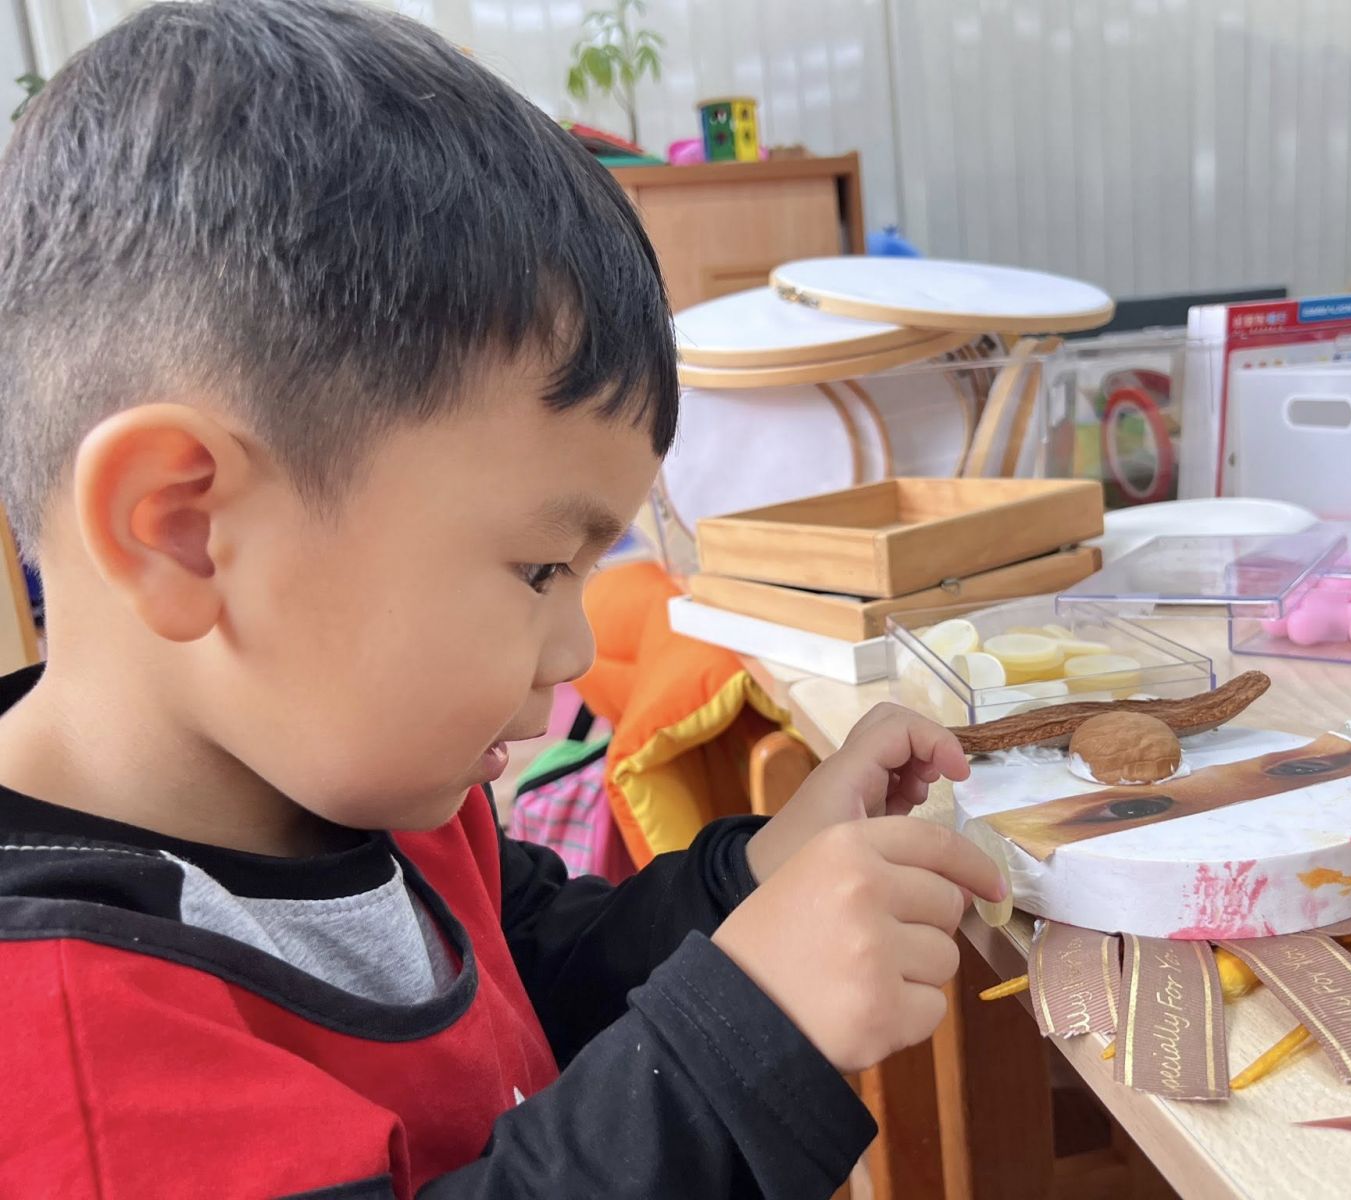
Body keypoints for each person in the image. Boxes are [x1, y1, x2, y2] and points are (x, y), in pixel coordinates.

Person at [0, 1, 1005, 1197]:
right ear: (185, 529)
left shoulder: (377, 782)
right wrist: (737, 1045)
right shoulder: (60, 1045)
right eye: (539, 569)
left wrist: (757, 876)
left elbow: (539, 979)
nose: (572, 649)